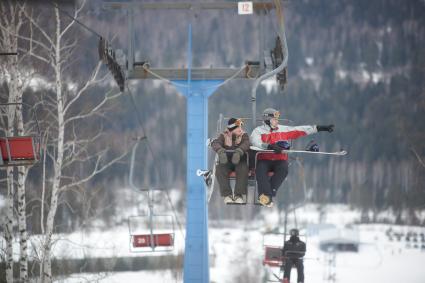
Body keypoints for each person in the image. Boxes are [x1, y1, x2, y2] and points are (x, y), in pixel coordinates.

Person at [250, 108, 334, 207]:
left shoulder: (283, 129)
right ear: (267, 120)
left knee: (284, 169)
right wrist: (268, 146)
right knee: (260, 171)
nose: (277, 121)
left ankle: (266, 196)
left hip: (279, 159)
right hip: (264, 159)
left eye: (277, 119)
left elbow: (301, 130)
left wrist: (320, 128)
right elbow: (255, 142)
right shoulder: (258, 131)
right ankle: (266, 196)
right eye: (274, 119)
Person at [211, 118, 250, 204]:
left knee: (243, 169)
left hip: (240, 160)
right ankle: (227, 195)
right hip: (227, 161)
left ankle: (238, 195)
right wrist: (220, 151)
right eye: (238, 127)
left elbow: (246, 143)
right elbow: (215, 143)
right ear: (232, 129)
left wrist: (239, 151)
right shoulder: (223, 136)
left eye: (241, 127)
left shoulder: (244, 135)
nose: (240, 129)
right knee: (220, 169)